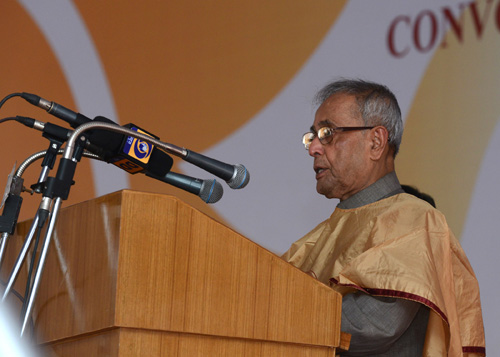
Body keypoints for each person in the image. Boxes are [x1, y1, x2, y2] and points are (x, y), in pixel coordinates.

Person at [282, 79, 485, 356]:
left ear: (376, 142)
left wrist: (275, 308)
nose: (313, 148)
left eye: (327, 133)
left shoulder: (415, 220)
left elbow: (372, 324)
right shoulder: (317, 237)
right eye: (312, 136)